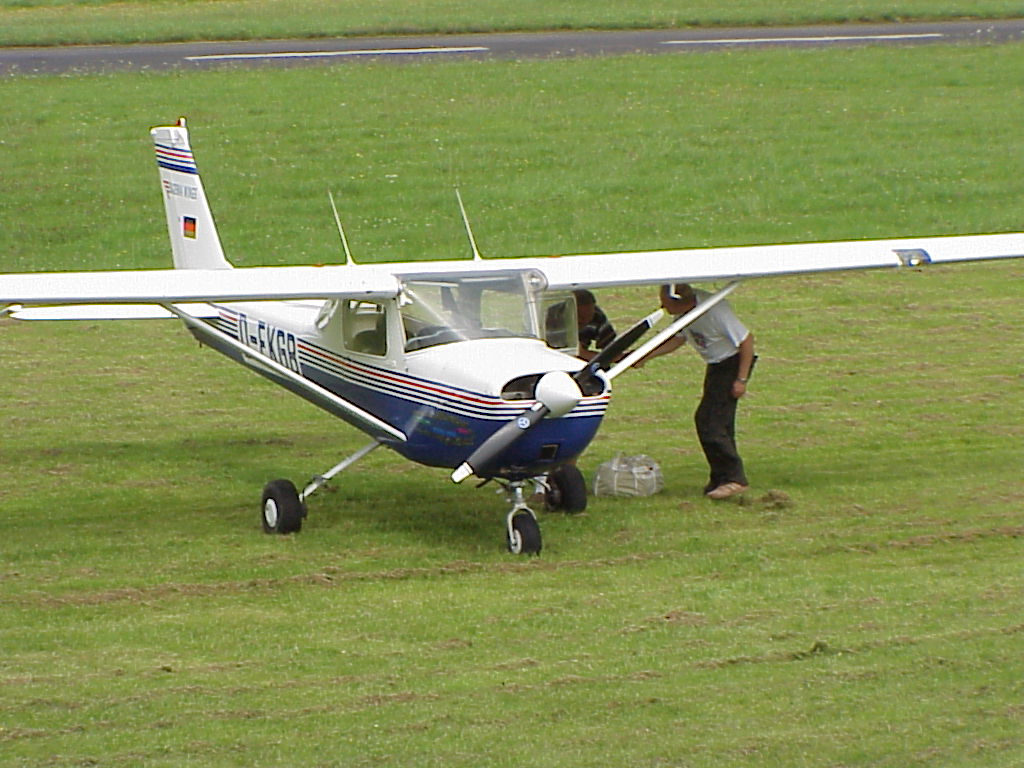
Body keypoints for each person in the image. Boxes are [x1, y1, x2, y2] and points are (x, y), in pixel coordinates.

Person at [639, 284, 756, 500]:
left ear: (682, 301)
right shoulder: (685, 312)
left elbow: (746, 341)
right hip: (716, 365)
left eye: (667, 305)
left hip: (732, 363)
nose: (664, 309)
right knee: (720, 422)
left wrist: (741, 379)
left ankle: (734, 479)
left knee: (709, 421)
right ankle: (720, 478)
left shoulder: (716, 311)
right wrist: (644, 357)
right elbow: (677, 338)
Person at [574, 289, 616, 361]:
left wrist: (629, 358)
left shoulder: (597, 316)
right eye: (580, 317)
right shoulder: (554, 317)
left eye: (589, 316)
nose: (585, 321)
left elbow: (610, 348)